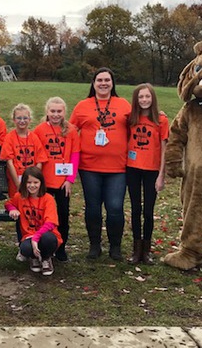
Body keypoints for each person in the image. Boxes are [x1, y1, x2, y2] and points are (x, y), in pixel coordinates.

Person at [70, 67, 131, 261]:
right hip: (89, 168)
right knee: (93, 208)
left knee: (115, 207)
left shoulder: (123, 105)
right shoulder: (82, 106)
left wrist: (158, 115)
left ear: (112, 83)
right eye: (99, 80)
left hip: (118, 168)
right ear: (93, 83)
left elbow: (140, 125)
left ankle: (115, 246)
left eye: (107, 80)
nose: (103, 83)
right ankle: (94, 245)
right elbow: (70, 132)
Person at [126, 83, 169, 264]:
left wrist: (161, 176)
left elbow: (164, 150)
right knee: (135, 209)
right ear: (136, 100)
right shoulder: (130, 118)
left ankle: (146, 250)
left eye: (147, 97)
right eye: (141, 97)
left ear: (152, 98)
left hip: (152, 170)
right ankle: (136, 250)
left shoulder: (161, 120)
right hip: (133, 168)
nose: (144, 100)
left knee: (148, 210)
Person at [34, 97, 80, 262]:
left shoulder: (71, 130)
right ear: (47, 111)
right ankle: (40, 246)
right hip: (44, 181)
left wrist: (70, 179)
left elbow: (75, 156)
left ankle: (61, 247)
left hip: (62, 182)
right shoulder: (39, 130)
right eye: (52, 111)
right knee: (41, 215)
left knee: (62, 215)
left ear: (64, 112)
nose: (55, 114)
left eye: (59, 111)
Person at [5, 166, 62, 276]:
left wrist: (36, 238)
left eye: (36, 182)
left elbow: (51, 223)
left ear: (41, 183)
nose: (32, 185)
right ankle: (34, 257)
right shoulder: (20, 197)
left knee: (48, 239)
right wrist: (13, 209)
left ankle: (46, 258)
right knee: (25, 248)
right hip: (29, 235)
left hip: (46, 234)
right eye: (29, 182)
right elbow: (8, 203)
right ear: (24, 183)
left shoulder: (48, 198)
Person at [0, 104, 48, 198]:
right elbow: (10, 163)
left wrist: (33, 180)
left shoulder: (34, 138)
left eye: (25, 118)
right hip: (16, 179)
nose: (22, 121)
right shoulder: (9, 138)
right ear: (14, 120)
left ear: (30, 120)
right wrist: (19, 184)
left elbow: (39, 162)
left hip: (32, 182)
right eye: (19, 118)